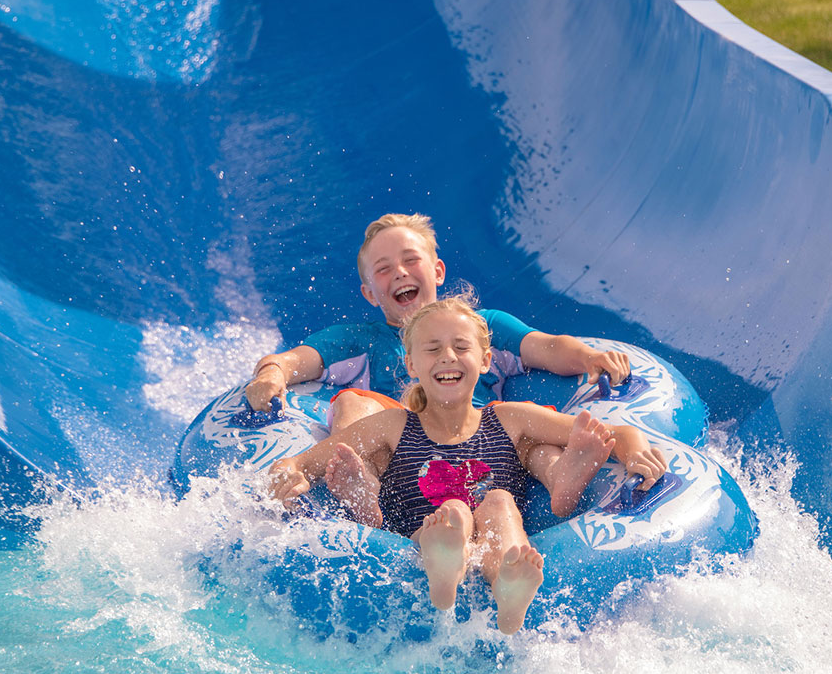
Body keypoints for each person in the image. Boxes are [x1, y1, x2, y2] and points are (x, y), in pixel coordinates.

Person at [269, 298, 671, 635]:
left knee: (498, 501)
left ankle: (509, 586)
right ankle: (446, 565)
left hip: (489, 528)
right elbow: (304, 463)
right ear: (411, 364)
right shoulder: (391, 426)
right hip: (416, 532)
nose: (448, 356)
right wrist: (291, 474)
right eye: (432, 349)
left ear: (485, 361)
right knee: (455, 514)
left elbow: (617, 432)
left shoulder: (509, 418)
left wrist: (634, 450)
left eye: (461, 347)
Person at [247, 212, 633, 504]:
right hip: (401, 454)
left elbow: (545, 346)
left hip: (485, 446)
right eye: (383, 269)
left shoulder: (481, 327)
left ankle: (560, 477)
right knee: (353, 404)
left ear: (437, 271)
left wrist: (587, 358)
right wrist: (271, 375)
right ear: (369, 294)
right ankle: (361, 484)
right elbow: (295, 359)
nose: (399, 272)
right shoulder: (360, 339)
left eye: (410, 260)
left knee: (525, 427)